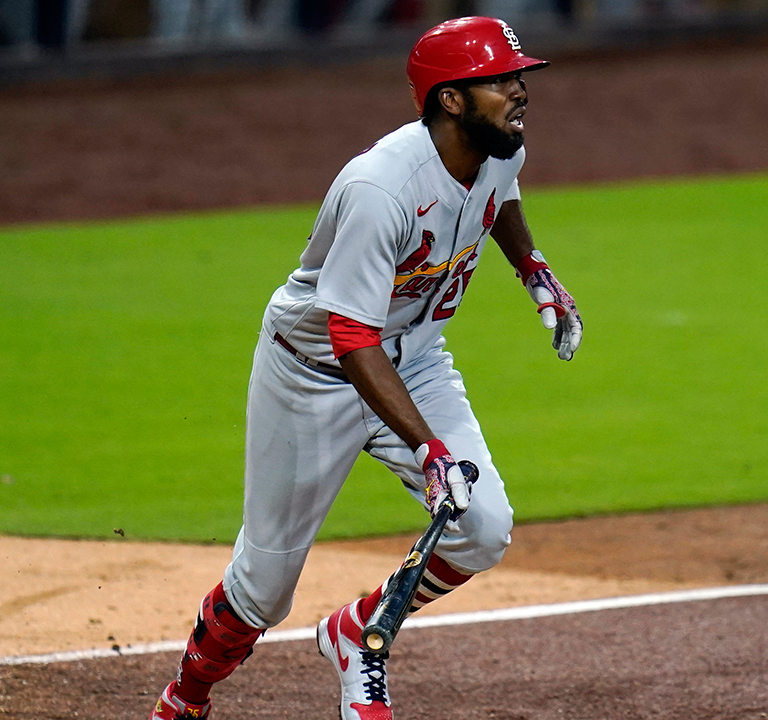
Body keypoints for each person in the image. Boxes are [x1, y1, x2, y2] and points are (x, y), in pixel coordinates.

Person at [149, 16, 581, 719]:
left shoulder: (500, 148)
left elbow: (497, 199)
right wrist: (428, 449)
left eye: (519, 75)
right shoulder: (381, 189)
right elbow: (351, 336)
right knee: (263, 588)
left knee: (484, 528)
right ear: (450, 100)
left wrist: (532, 268)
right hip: (315, 371)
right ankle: (185, 697)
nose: (520, 88)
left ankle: (359, 636)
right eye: (501, 79)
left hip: (414, 357)